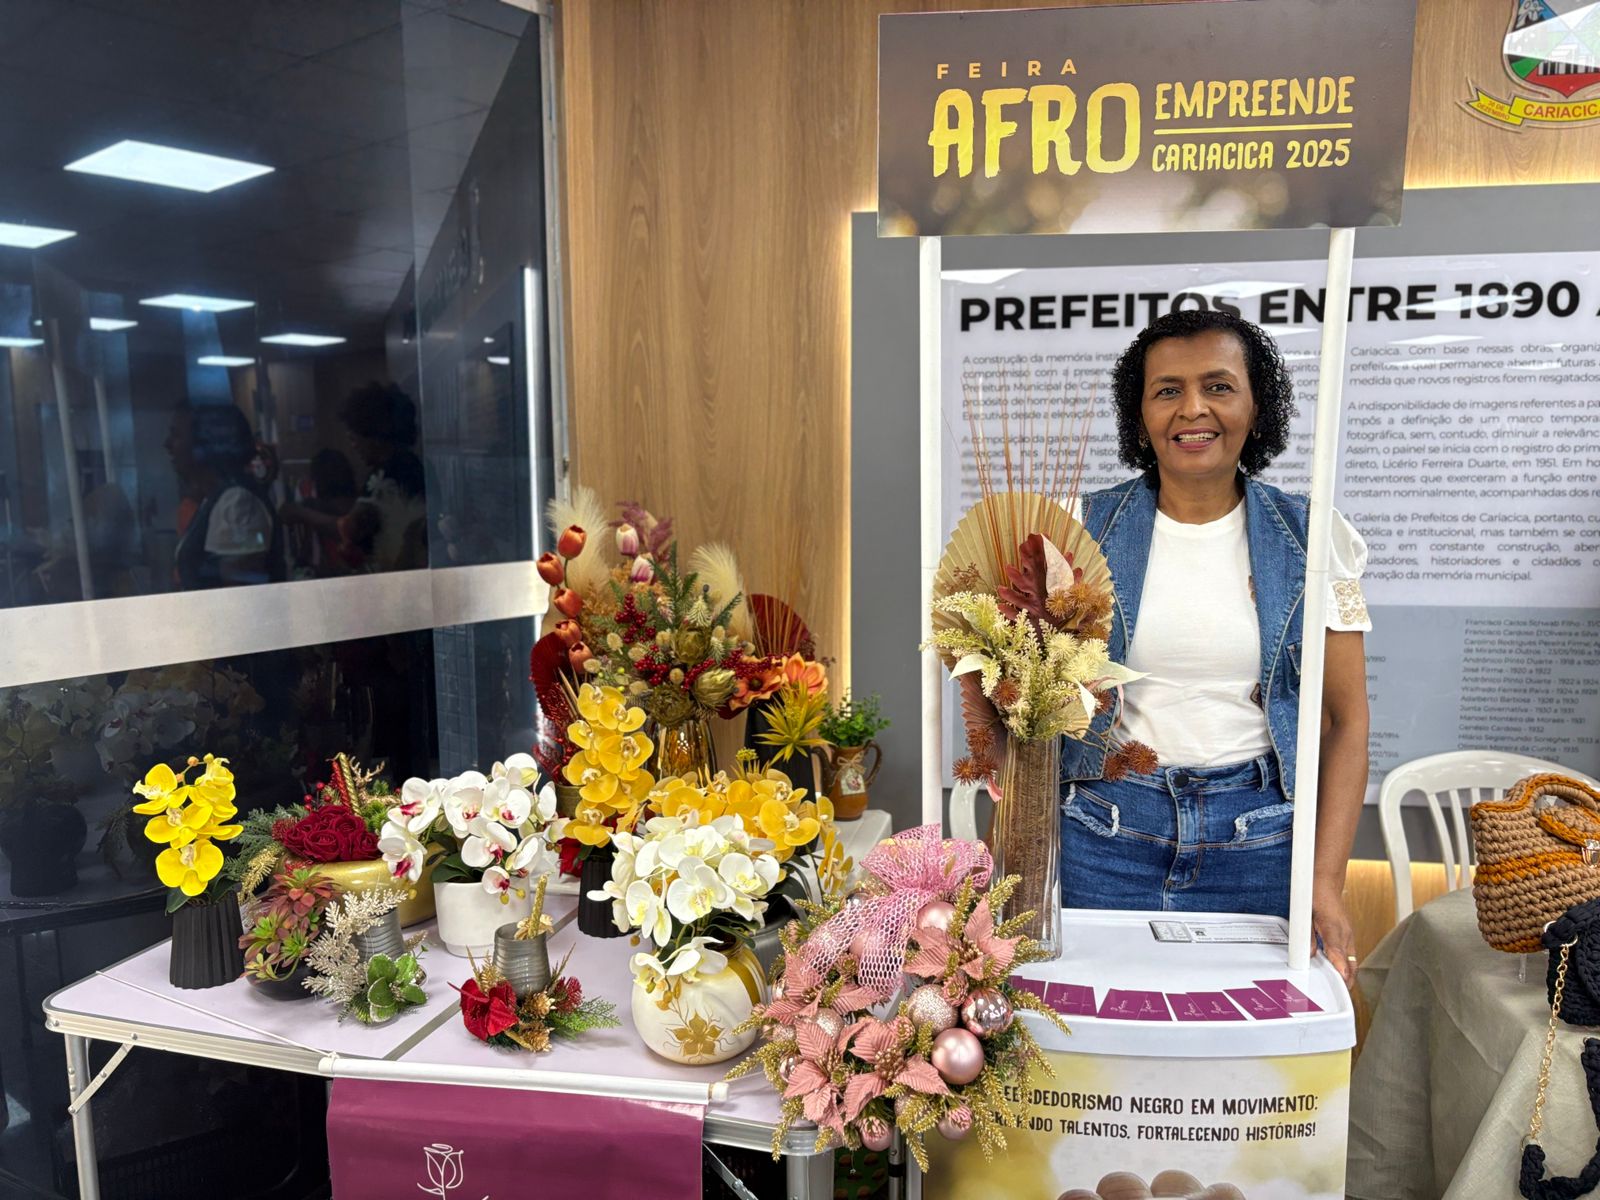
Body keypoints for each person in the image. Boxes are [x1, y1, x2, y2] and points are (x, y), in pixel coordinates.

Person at [1060, 310, 1370, 984]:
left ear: (1256, 407)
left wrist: (1325, 880)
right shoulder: (1078, 529)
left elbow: (1346, 721)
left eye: (1219, 386)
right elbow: (1021, 702)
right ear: (1139, 415)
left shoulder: (1313, 539)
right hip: (1104, 836)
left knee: (1248, 1069)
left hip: (1261, 843)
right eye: (1167, 389)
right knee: (1098, 1057)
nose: (1192, 408)